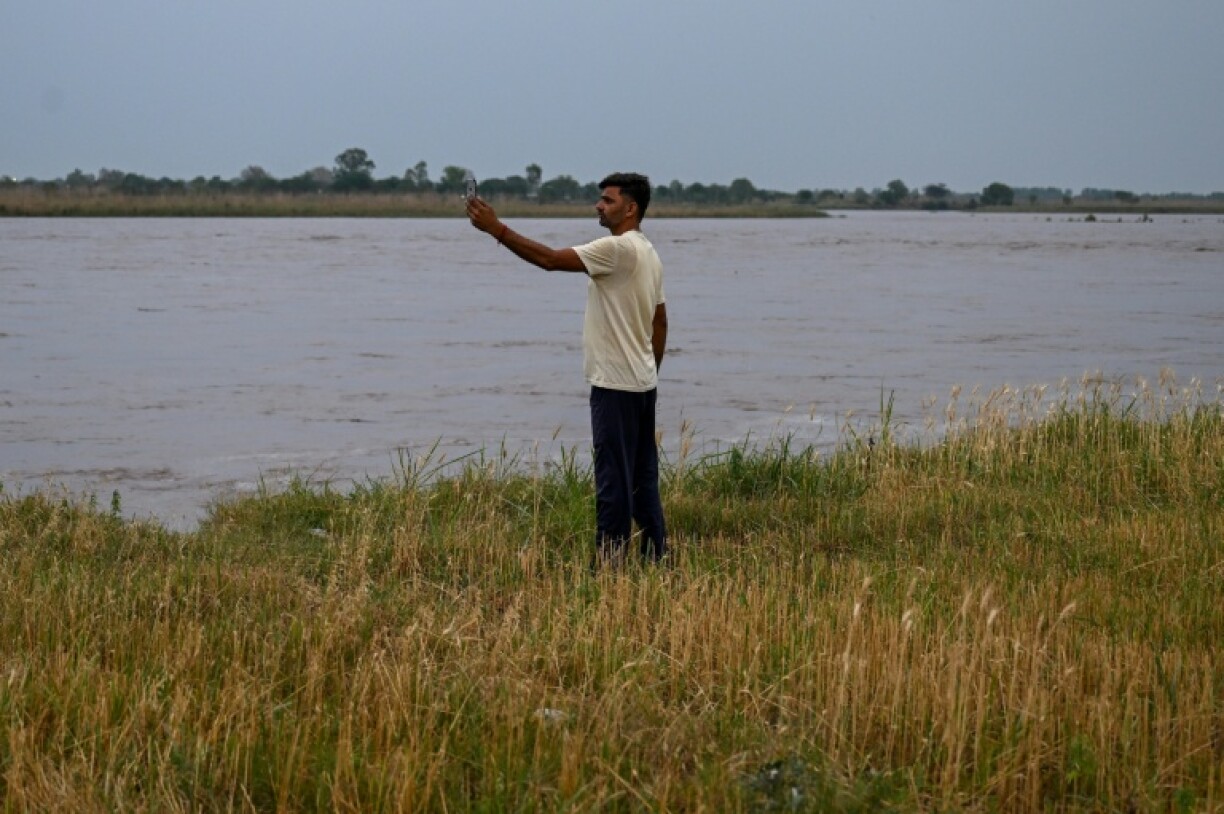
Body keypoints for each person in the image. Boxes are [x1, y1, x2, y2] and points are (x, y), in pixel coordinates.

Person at [466, 172, 669, 564]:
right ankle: (656, 557)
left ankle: (609, 566)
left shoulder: (617, 249)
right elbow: (660, 322)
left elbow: (549, 260)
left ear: (631, 208)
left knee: (613, 479)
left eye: (608, 201)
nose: (598, 205)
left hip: (615, 386)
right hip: (642, 385)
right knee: (643, 480)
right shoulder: (648, 251)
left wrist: (498, 229)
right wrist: (650, 370)